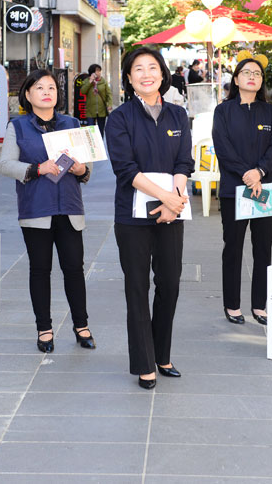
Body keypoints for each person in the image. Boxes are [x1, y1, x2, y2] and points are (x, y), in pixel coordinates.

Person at [106, 47, 193, 390]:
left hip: (171, 213)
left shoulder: (177, 115)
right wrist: (167, 197)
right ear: (129, 78)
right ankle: (145, 362)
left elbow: (183, 163)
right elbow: (125, 169)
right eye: (138, 69)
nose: (146, 73)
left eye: (152, 67)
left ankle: (162, 353)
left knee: (170, 284)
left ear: (162, 73)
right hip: (132, 218)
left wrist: (175, 201)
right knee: (137, 288)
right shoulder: (120, 118)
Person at [0, 69, 95, 353]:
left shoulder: (72, 122)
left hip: (69, 207)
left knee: (74, 269)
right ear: (28, 94)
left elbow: (86, 168)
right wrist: (36, 169)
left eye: (51, 87)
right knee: (40, 271)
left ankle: (82, 326)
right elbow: (5, 165)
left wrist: (81, 169)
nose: (46, 92)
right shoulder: (17, 127)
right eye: (39, 87)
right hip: (36, 208)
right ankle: (44, 329)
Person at [212, 57, 272, 326]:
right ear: (237, 79)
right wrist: (247, 173)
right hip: (234, 189)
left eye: (257, 73)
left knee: (263, 248)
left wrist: (260, 172)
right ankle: (232, 304)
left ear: (262, 81)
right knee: (233, 247)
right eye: (246, 72)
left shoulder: (270, 112)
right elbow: (223, 148)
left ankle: (259, 305)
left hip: (265, 188)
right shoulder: (224, 111)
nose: (252, 76)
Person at [79, 63, 111, 139]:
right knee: (91, 130)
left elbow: (109, 94)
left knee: (100, 130)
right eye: (97, 71)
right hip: (90, 110)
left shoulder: (104, 82)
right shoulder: (87, 81)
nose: (99, 73)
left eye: (100, 71)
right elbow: (82, 91)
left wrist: (109, 104)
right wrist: (90, 81)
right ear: (92, 72)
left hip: (101, 110)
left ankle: (100, 145)